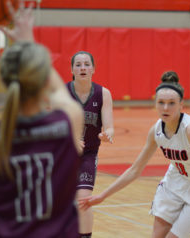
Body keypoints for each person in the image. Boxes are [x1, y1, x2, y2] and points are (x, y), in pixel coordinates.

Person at [79, 71, 190, 238]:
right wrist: (103, 195)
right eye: (161, 102)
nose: (166, 108)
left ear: (181, 105)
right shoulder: (156, 131)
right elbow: (135, 170)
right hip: (175, 183)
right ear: (155, 104)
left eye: (171, 103)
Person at [0, 2, 84, 237]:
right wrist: (28, 41)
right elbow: (59, 92)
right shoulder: (68, 120)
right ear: (44, 81)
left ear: (4, 81)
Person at [66, 50, 114, 237]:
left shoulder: (103, 93)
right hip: (63, 154)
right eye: (78, 65)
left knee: (84, 199)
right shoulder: (62, 92)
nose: (83, 68)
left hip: (88, 154)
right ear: (72, 69)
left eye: (86, 64)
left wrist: (106, 134)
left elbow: (110, 127)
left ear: (93, 68)